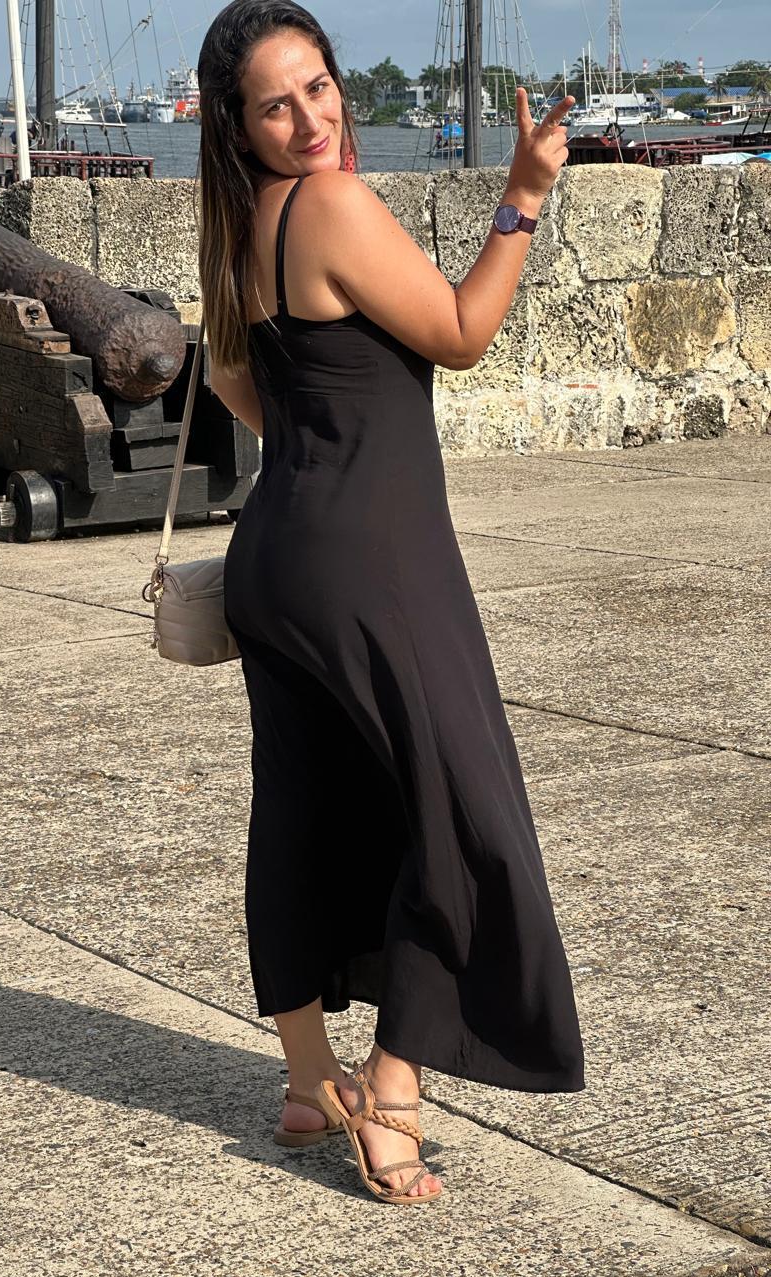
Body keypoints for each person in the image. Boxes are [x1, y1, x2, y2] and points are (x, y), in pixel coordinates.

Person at [198, 0, 584, 1206]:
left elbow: (234, 378)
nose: (310, 119)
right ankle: (396, 1089)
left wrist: (323, 443)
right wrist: (522, 196)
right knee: (458, 814)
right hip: (373, 560)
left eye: (318, 87)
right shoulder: (332, 206)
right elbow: (462, 332)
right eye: (277, 104)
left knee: (301, 812)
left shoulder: (238, 225)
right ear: (240, 125)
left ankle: (308, 1081)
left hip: (277, 555)